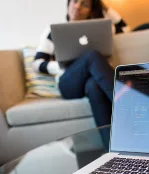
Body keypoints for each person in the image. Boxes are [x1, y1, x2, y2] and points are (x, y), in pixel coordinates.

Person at [33, 0, 130, 128]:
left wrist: (104, 8)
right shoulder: (53, 31)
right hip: (69, 84)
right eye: (74, 1)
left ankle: (110, 145)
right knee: (92, 56)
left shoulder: (101, 29)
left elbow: (125, 28)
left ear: (91, 11)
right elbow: (37, 63)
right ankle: (128, 107)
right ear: (68, 4)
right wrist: (60, 67)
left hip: (94, 81)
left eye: (84, 5)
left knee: (93, 86)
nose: (77, 6)